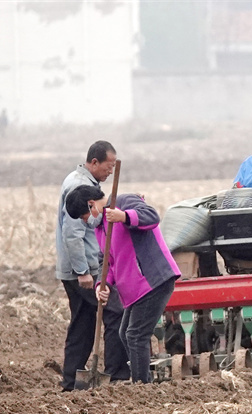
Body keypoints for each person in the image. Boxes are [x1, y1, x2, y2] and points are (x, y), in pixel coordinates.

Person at [66, 186, 181, 384]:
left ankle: (140, 386)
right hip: (134, 289)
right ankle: (145, 381)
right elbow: (106, 261)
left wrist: (124, 217)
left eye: (84, 216)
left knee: (135, 335)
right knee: (125, 333)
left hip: (153, 279)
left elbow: (151, 217)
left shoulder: (124, 202)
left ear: (91, 204)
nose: (86, 221)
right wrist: (103, 284)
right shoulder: (101, 228)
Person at [55, 141, 129, 391]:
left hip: (77, 269)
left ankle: (71, 383)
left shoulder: (78, 180)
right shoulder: (80, 188)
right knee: (115, 312)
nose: (110, 172)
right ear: (94, 162)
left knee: (83, 324)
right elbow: (72, 233)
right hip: (84, 270)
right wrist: (83, 272)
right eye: (107, 167)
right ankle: (117, 373)